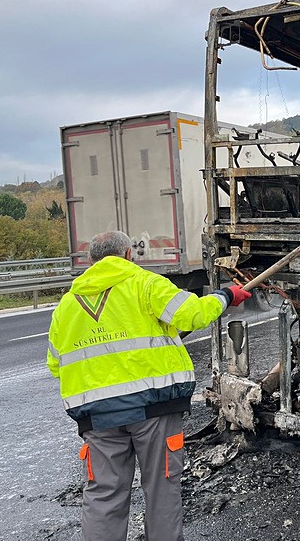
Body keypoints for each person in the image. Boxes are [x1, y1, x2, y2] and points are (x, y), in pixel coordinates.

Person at [47, 231, 252, 540]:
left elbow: (55, 365)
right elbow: (193, 314)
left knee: (103, 494)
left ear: (90, 262)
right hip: (154, 409)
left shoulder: (66, 306)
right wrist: (226, 295)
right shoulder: (145, 284)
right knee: (161, 488)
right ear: (129, 255)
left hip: (97, 417)